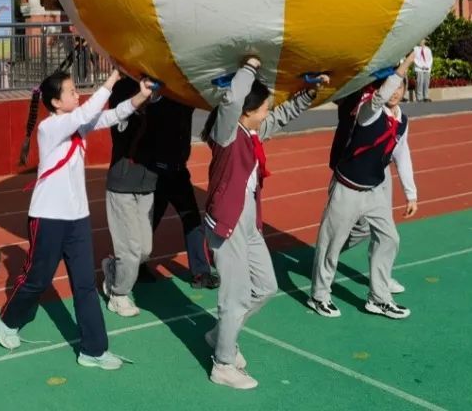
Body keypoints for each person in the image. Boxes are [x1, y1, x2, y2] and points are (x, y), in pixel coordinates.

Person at [0, 69, 153, 369]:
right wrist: (112, 79)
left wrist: (141, 96)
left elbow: (112, 115)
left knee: (84, 285)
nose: (76, 94)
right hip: (48, 217)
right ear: (56, 102)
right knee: (37, 280)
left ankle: (94, 349)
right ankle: (8, 319)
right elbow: (85, 114)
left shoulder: (76, 123)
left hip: (77, 218)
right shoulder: (50, 127)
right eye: (70, 92)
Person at [202, 56, 325, 390]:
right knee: (235, 297)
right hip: (226, 224)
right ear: (246, 111)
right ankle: (223, 364)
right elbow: (231, 101)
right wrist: (249, 68)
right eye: (263, 107)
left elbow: (282, 115)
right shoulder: (227, 134)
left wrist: (308, 93)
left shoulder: (252, 132)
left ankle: (220, 335)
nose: (268, 111)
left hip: (249, 223)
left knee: (267, 286)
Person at [309, 51, 418, 321]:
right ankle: (319, 296)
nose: (396, 92)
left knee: (389, 238)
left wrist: (411, 194)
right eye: (392, 86)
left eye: (401, 86)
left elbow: (402, 154)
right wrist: (404, 64)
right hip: (348, 187)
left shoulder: (402, 120)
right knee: (331, 244)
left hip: (374, 191)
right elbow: (380, 97)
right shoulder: (368, 110)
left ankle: (379, 298)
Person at [138, 94, 219, 289]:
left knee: (192, 220)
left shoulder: (185, 100)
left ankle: (201, 273)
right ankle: (134, 267)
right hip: (157, 173)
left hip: (178, 172)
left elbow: (204, 97)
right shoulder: (157, 101)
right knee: (148, 223)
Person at [101, 76, 160, 317]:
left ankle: (113, 268)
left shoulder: (157, 110)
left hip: (147, 185)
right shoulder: (123, 115)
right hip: (122, 186)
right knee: (130, 249)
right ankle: (118, 295)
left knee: (145, 250)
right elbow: (123, 122)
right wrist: (139, 103)